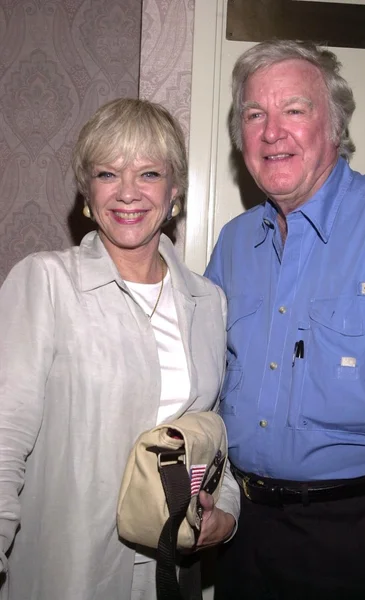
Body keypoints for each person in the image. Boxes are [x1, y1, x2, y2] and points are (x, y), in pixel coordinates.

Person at [0, 98, 239, 600]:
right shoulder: (46, 283)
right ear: (87, 192)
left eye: (149, 172)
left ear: (175, 191)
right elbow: (4, 440)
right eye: (108, 173)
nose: (127, 192)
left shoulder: (208, 301)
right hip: (69, 570)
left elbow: (213, 436)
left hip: (174, 571)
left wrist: (227, 513)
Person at [205, 39, 365, 600]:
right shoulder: (234, 244)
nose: (271, 131)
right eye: (255, 114)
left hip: (364, 538)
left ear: (333, 125)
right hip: (245, 533)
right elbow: (205, 381)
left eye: (294, 110)